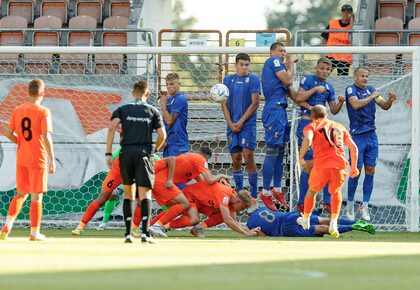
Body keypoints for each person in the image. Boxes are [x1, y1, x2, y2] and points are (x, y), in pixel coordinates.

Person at [106, 80, 166, 243]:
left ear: (133, 93)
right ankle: (145, 234)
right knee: (145, 194)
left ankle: (127, 234)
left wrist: (108, 153)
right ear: (148, 93)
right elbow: (162, 135)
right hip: (143, 155)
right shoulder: (153, 111)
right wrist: (154, 150)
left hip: (126, 154)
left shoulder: (122, 110)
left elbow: (112, 128)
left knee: (128, 194)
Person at [1, 78, 55, 241]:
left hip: (22, 158)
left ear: (28, 92)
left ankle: (8, 225)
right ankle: (34, 232)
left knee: (20, 194)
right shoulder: (44, 111)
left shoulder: (18, 110)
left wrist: (22, 143)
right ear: (42, 93)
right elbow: (45, 136)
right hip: (37, 157)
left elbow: (9, 133)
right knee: (36, 196)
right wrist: (52, 159)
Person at [294, 57, 346, 214]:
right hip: (306, 124)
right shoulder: (309, 79)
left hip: (323, 128)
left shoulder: (329, 86)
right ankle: (302, 202)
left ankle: (325, 201)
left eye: (328, 70)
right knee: (309, 165)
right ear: (316, 68)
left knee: (325, 164)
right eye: (322, 68)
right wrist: (315, 91)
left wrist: (341, 102)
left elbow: (333, 109)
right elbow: (298, 98)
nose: (325, 72)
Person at [345, 67, 397, 221]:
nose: (365, 78)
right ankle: (350, 204)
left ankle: (365, 206)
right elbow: (355, 105)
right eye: (362, 76)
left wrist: (390, 100)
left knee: (370, 170)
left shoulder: (372, 90)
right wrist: (372, 96)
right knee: (356, 170)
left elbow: (384, 106)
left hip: (371, 135)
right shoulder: (350, 89)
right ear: (355, 77)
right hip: (357, 136)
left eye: (367, 76)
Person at [299, 105, 359, 238]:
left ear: (312, 117)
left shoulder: (312, 126)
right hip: (340, 166)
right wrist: (354, 167)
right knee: (335, 193)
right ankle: (333, 223)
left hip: (322, 166)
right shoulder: (339, 126)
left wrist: (300, 157)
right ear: (326, 115)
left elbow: (308, 139)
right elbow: (353, 148)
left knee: (312, 191)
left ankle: (306, 219)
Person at [146, 147, 230, 238]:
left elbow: (204, 183)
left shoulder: (194, 163)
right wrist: (221, 175)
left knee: (183, 213)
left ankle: (148, 227)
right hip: (162, 181)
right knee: (185, 203)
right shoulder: (200, 159)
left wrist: (218, 182)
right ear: (207, 159)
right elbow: (209, 180)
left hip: (159, 181)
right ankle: (157, 226)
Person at [260, 42, 298, 211]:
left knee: (281, 152)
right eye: (281, 50)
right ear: (272, 52)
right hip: (273, 110)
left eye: (285, 51)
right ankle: (266, 191)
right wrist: (290, 64)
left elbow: (294, 93)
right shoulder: (273, 62)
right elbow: (288, 79)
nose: (283, 53)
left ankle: (277, 188)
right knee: (272, 151)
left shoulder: (280, 71)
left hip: (281, 111)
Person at [221, 53, 260, 206]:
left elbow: (255, 103)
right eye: (242, 65)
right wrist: (231, 123)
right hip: (232, 125)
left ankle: (254, 195)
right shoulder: (227, 80)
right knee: (236, 159)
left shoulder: (254, 79)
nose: (244, 67)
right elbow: (223, 103)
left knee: (248, 156)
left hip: (247, 125)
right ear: (236, 65)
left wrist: (241, 121)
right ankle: (239, 193)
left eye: (247, 65)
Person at [165, 181, 260, 237]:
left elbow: (233, 220)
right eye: (242, 207)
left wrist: (248, 230)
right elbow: (228, 220)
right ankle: (164, 226)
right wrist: (245, 233)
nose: (240, 210)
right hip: (190, 196)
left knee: (222, 216)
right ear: (238, 201)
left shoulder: (232, 199)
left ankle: (198, 228)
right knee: (193, 219)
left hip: (201, 203)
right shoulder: (225, 195)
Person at [246, 206, 375, 237]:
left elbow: (262, 234)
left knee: (318, 228)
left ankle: (355, 226)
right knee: (325, 220)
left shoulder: (249, 224)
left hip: (284, 229)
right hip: (289, 216)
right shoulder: (262, 208)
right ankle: (357, 222)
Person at [160, 73, 189, 158]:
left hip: (178, 143)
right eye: (167, 84)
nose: (169, 86)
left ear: (179, 84)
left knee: (177, 170)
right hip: (169, 143)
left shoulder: (180, 98)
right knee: (168, 170)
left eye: (172, 84)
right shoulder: (167, 100)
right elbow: (165, 123)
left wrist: (163, 107)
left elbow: (170, 121)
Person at [321, 4, 354, 76]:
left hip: (344, 59)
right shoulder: (333, 23)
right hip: (331, 56)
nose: (346, 14)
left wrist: (352, 20)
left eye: (348, 12)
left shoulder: (353, 27)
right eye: (344, 12)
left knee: (342, 79)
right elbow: (324, 38)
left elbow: (352, 38)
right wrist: (322, 54)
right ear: (341, 12)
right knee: (323, 75)